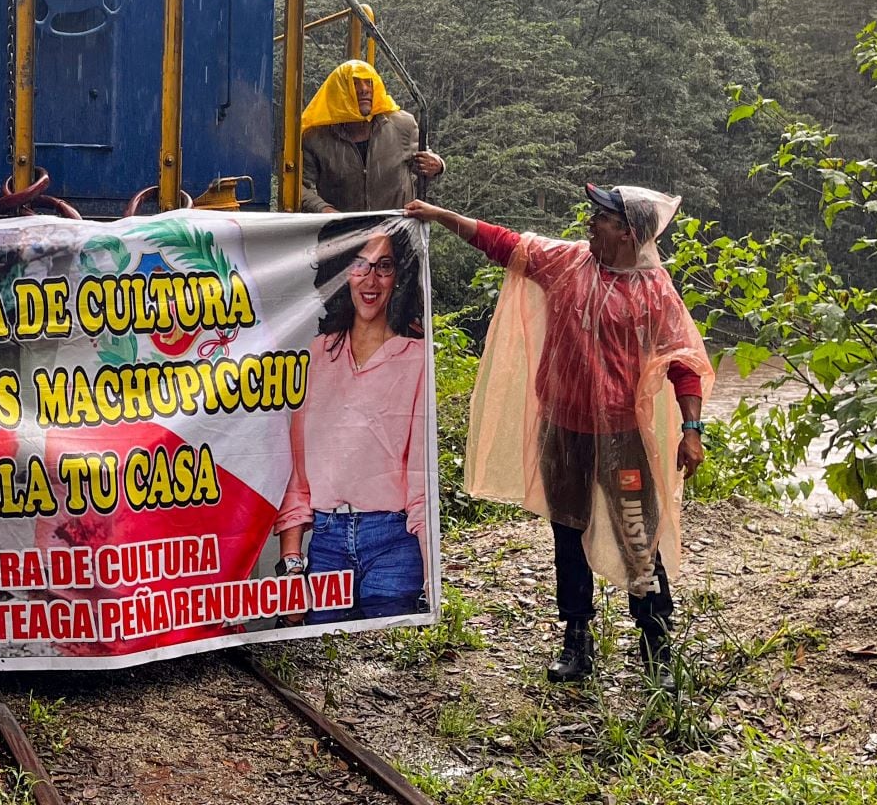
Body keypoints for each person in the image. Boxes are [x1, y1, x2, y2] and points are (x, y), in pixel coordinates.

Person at [406, 185, 713, 690]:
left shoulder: (655, 290)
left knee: (639, 535)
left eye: (602, 217)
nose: (590, 223)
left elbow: (683, 362)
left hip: (622, 434)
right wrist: (441, 216)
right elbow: (501, 242)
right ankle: (577, 638)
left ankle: (655, 641)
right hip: (563, 428)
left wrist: (692, 429)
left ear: (628, 232)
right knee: (568, 533)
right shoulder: (567, 263)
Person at [274, 217, 430, 621]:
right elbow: (298, 475)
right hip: (326, 542)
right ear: (341, 273)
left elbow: (420, 480)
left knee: (382, 662)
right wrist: (292, 563)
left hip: (395, 543)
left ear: (400, 274)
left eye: (384, 266)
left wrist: (433, 575)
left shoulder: (416, 359)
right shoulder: (316, 355)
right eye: (358, 264)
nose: (370, 279)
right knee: (320, 667)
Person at [300, 59, 444, 213]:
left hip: (397, 230)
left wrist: (438, 165)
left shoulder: (402, 124)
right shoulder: (317, 139)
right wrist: (324, 210)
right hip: (343, 231)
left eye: (369, 82)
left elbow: (424, 160)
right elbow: (300, 187)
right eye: (355, 83)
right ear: (339, 90)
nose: (364, 89)